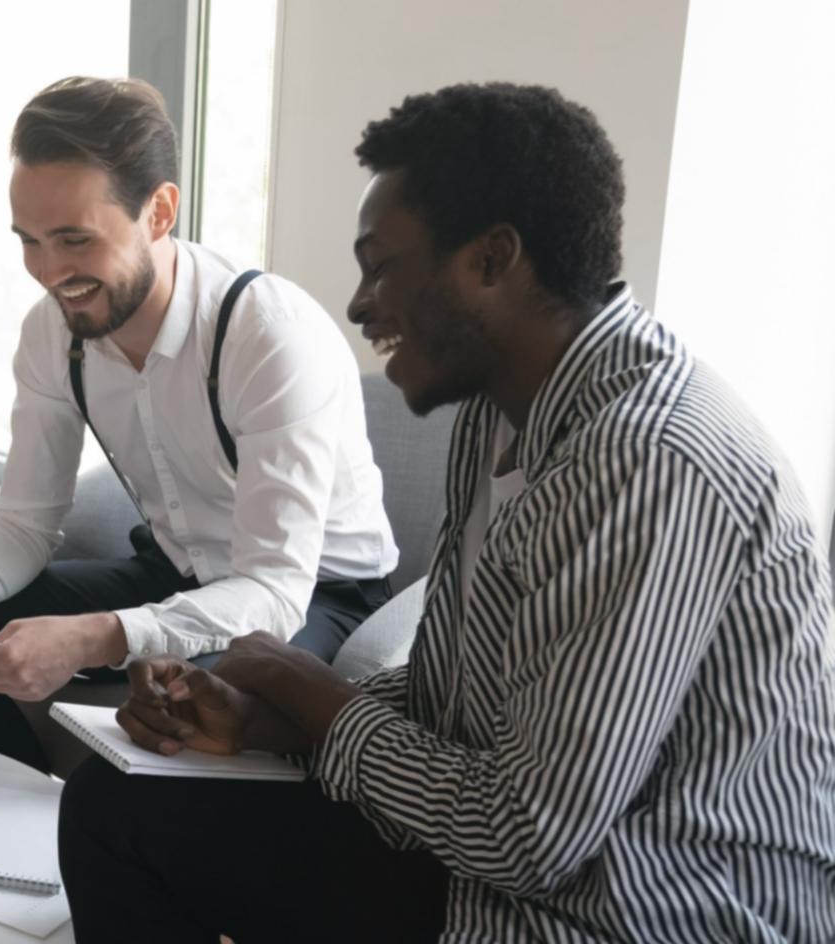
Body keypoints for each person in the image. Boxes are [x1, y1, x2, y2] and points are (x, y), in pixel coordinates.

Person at [59, 82, 835, 942]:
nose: (359, 304)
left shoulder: (648, 463)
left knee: (126, 820)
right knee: (118, 803)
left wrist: (310, 691)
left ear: (492, 260)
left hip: (651, 906)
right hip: (529, 867)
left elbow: (531, 836)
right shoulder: (500, 411)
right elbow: (460, 696)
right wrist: (264, 719)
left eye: (381, 266)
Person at [0, 77, 398, 772]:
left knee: (183, 710)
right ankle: (22, 809)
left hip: (315, 592)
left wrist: (94, 638)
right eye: (30, 241)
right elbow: (25, 522)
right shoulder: (52, 333)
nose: (48, 272)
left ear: (159, 211)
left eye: (74, 239)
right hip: (177, 568)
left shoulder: (266, 334)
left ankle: (87, 818)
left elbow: (274, 591)